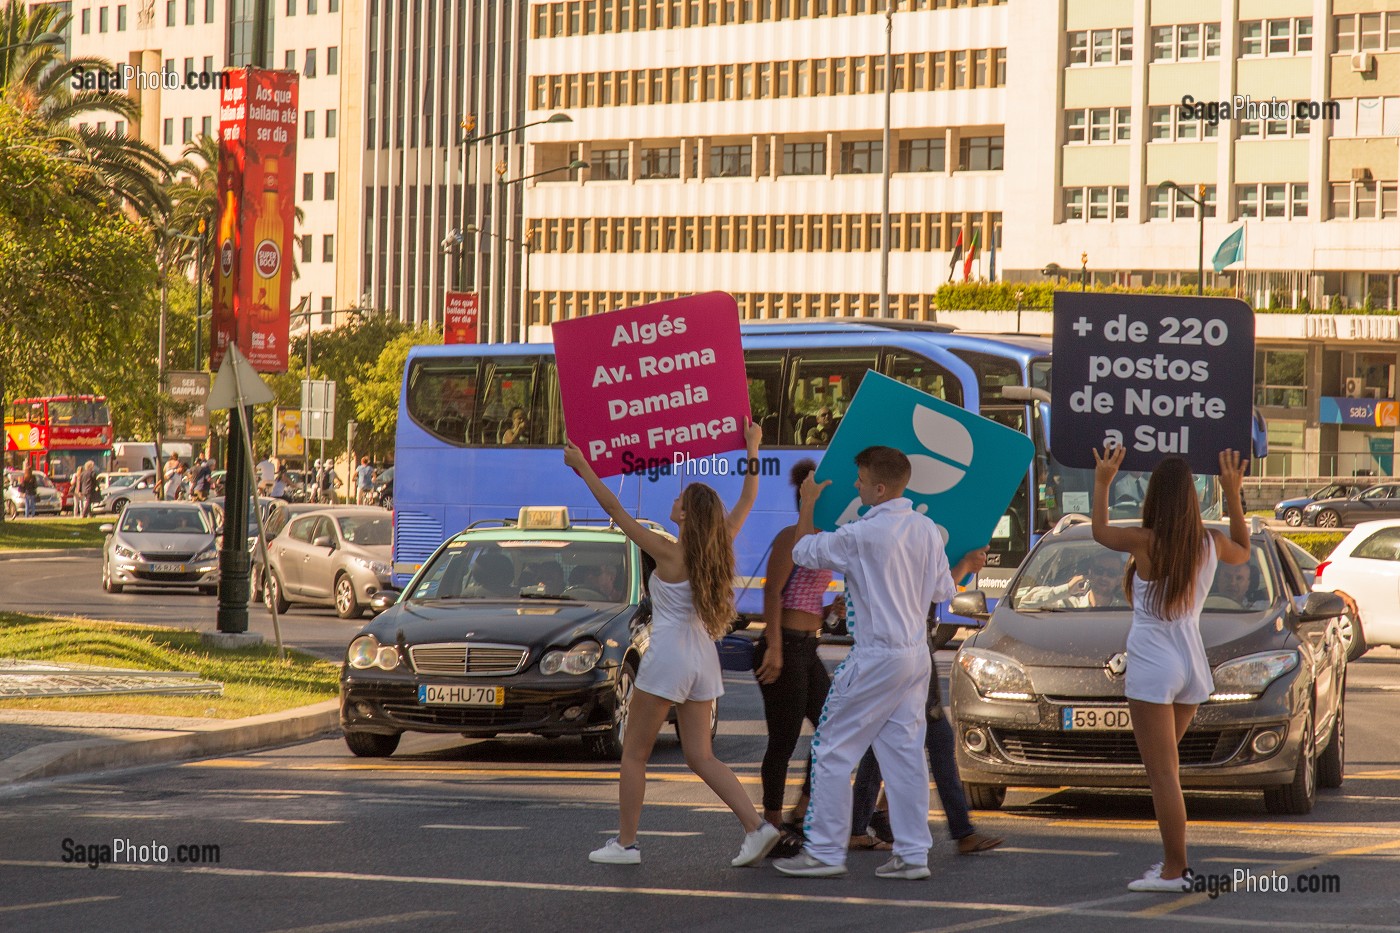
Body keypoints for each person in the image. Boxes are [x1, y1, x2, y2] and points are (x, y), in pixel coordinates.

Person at [565, 421, 781, 868]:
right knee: (701, 755)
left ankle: (625, 844)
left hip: (666, 656)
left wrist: (584, 468)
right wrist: (753, 447)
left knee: (635, 753)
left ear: (687, 515)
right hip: (703, 658)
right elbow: (749, 498)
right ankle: (756, 828)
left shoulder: (668, 551)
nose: (674, 499)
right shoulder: (718, 546)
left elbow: (616, 511)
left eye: (681, 500)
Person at [773, 446, 987, 880]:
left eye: (861, 478)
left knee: (831, 750)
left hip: (877, 655)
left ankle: (825, 852)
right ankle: (912, 856)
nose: (855, 484)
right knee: (904, 756)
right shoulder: (927, 530)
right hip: (915, 655)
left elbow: (802, 552)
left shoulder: (861, 534)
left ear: (880, 487)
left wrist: (810, 502)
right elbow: (942, 592)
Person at [1091, 445, 1251, 893]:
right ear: (1191, 499)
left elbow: (1101, 532)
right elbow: (1243, 549)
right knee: (1169, 770)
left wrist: (1103, 481)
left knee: (1163, 775)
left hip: (1153, 661)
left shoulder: (1145, 540)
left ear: (1154, 498)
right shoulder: (1210, 542)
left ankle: (1175, 870)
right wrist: (1233, 493)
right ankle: (1173, 866)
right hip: (1191, 661)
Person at [753, 459, 831, 854]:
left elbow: (811, 591)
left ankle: (801, 811)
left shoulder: (824, 538)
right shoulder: (791, 537)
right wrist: (775, 647)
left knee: (832, 728)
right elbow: (772, 592)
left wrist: (829, 611)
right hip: (785, 644)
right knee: (783, 739)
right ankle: (770, 823)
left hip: (809, 645)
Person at [1016, 550, 1126, 609]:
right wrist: (1067, 589)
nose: (1104, 577)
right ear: (1090, 572)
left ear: (1118, 579)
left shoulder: (1126, 610)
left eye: (1111, 573)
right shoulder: (1069, 606)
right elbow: (1025, 604)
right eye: (1099, 570)